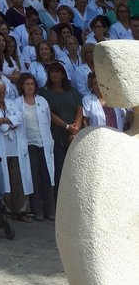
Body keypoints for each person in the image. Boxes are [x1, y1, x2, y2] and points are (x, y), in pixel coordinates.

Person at [0, 75, 31, 217]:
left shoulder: (11, 102)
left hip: (15, 146)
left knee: (18, 178)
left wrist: (3, 121)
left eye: (3, 91)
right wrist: (10, 122)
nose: (1, 94)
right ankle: (5, 211)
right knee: (4, 178)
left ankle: (21, 210)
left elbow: (19, 118)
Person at [39, 60, 84, 190]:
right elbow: (48, 113)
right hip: (56, 136)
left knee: (75, 167)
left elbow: (79, 109)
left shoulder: (72, 91)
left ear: (63, 74)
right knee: (59, 169)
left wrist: (75, 129)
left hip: (73, 136)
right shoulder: (45, 92)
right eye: (52, 72)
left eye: (57, 72)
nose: (54, 74)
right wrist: (66, 127)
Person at [18, 72, 56, 222]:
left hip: (43, 142)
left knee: (47, 176)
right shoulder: (17, 102)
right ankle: (37, 211)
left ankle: (50, 211)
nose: (30, 87)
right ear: (22, 86)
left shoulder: (42, 101)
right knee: (33, 177)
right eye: (27, 84)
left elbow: (48, 120)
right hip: (28, 143)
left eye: (32, 84)